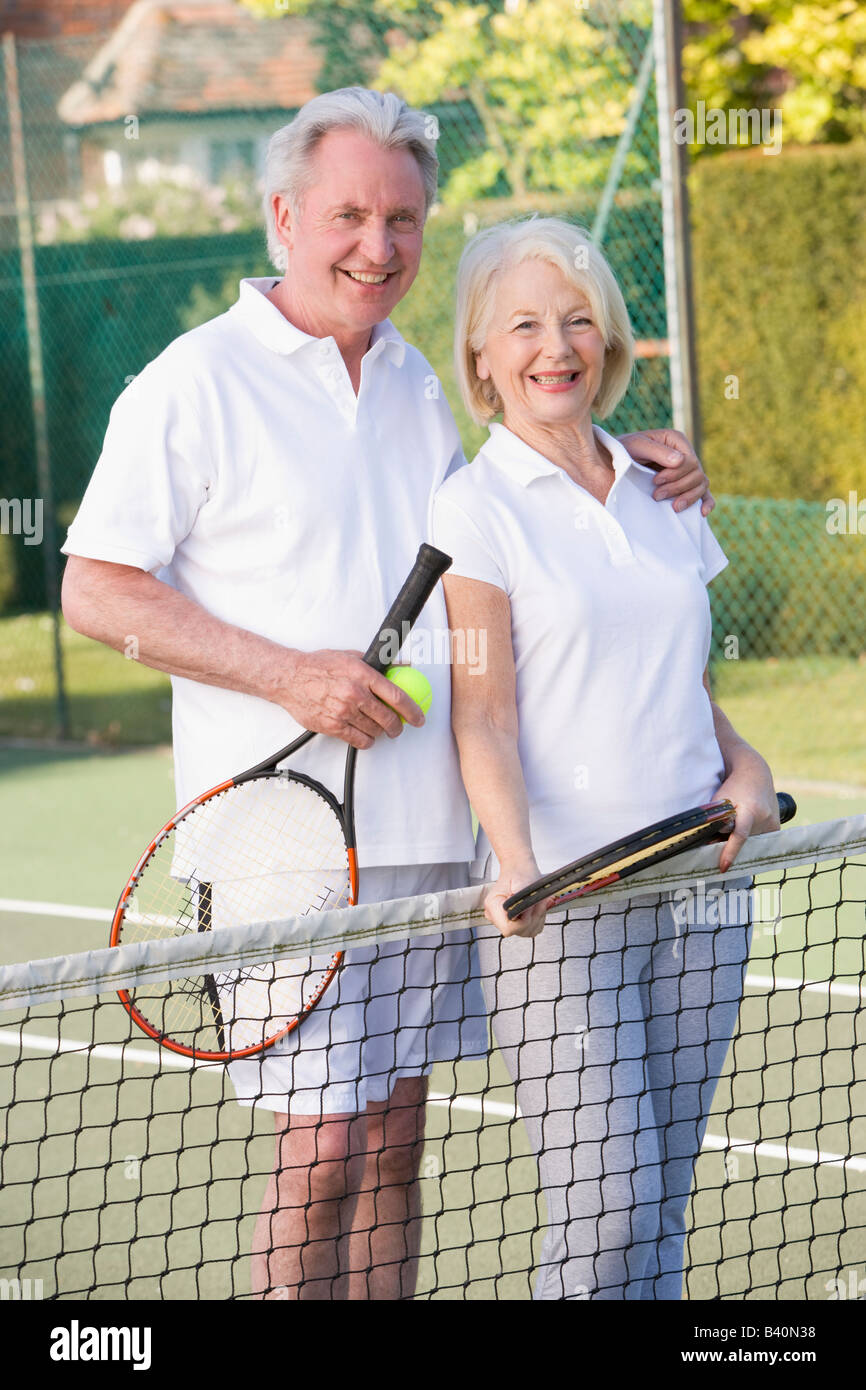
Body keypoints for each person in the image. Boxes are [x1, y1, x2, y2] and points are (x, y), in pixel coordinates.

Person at [61, 89, 712, 1301]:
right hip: (280, 846)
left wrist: (640, 457)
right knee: (320, 1151)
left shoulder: (422, 379)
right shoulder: (187, 383)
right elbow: (95, 591)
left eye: (402, 218)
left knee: (398, 1143)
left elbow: (522, 504)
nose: (378, 244)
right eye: (349, 214)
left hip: (436, 837)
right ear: (283, 216)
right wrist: (289, 673)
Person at [433, 215, 779, 1300]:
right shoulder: (470, 508)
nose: (556, 346)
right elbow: (480, 713)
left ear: (609, 340)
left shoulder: (660, 485)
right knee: (606, 1209)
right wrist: (516, 863)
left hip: (702, 885)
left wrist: (746, 768)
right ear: (481, 356)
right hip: (562, 903)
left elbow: (680, 675)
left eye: (578, 320)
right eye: (524, 324)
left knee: (659, 1213)